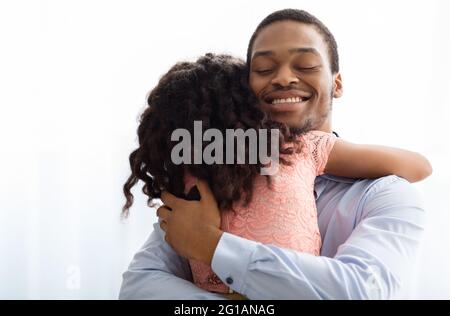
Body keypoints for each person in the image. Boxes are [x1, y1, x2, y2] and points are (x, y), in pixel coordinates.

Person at [119, 9, 430, 299]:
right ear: (243, 89)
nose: (282, 78)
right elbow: (140, 286)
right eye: (264, 69)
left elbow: (360, 290)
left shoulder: (385, 194)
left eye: (306, 65)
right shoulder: (216, 177)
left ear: (337, 84)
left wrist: (210, 245)